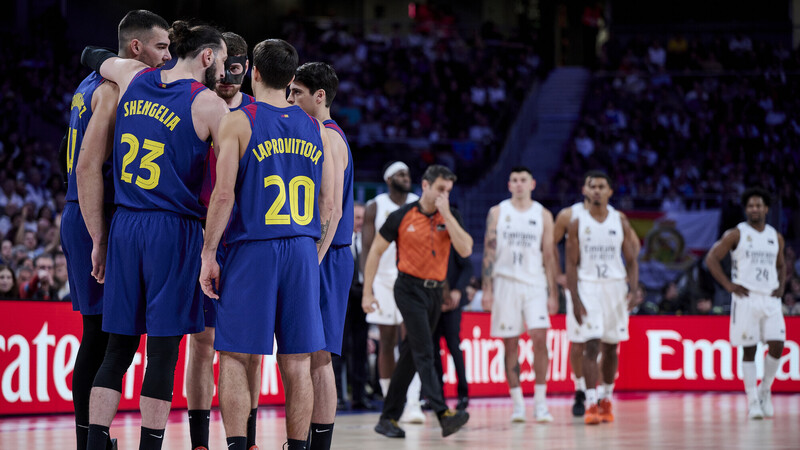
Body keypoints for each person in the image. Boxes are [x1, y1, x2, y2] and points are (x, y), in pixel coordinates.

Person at [80, 19, 228, 450]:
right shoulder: (208, 105)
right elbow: (231, 181)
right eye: (220, 58)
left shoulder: (132, 76)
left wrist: (100, 239)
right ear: (207, 56)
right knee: (162, 354)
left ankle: (94, 444)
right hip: (173, 230)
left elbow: (93, 55)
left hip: (125, 225)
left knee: (116, 352)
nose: (223, 67)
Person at [198, 38, 336, 450]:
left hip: (253, 248)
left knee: (237, 356)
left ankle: (240, 445)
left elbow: (223, 196)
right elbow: (328, 204)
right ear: (292, 79)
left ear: (253, 72)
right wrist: (312, 252)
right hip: (300, 248)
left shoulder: (239, 121)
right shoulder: (315, 127)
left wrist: (208, 254)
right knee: (297, 361)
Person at [68, 14, 171, 448]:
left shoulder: (85, 85)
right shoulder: (115, 88)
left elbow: (66, 157)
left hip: (80, 209)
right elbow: (89, 166)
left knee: (99, 335)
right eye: (162, 47)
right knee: (101, 339)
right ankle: (87, 439)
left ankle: (90, 438)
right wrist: (99, 235)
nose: (167, 56)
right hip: (95, 214)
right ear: (136, 50)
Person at [186, 31, 260, 450]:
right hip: (201, 232)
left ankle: (245, 439)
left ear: (247, 68)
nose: (229, 76)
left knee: (248, 349)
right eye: (223, 66)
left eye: (237, 68)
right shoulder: (197, 105)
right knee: (202, 341)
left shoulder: (257, 112)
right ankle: (199, 441)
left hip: (247, 241)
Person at [363, 164, 472, 439]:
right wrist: (368, 292)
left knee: (412, 354)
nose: (443, 195)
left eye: (448, 191)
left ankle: (387, 418)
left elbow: (466, 248)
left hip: (435, 292)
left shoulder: (450, 216)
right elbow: (375, 251)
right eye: (440, 190)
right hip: (408, 289)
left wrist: (447, 214)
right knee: (424, 349)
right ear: (425, 186)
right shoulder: (402, 216)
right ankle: (443, 412)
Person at [286, 61, 351, 450]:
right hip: (324, 253)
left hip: (328, 254)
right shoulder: (317, 133)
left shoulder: (328, 136)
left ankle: (320, 445)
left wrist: (314, 257)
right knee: (312, 353)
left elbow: (333, 209)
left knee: (320, 355)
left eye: (297, 92)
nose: (290, 97)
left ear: (319, 96)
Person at [553, 173, 639, 417]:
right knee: (590, 345)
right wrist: (575, 297)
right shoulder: (576, 222)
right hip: (588, 286)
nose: (597, 191)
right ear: (585, 190)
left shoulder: (619, 220)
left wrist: (633, 290)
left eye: (602, 187)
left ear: (610, 191)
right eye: (593, 186)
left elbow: (632, 260)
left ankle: (607, 397)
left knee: (612, 347)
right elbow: (570, 264)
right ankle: (590, 401)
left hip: (614, 287)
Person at [482, 167, 558, 422]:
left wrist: (553, 293)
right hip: (505, 282)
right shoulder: (497, 212)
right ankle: (517, 404)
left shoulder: (543, 215)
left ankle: (540, 402)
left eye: (523, 180)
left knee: (539, 337)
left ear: (532, 183)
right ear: (509, 184)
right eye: (514, 180)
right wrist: (487, 288)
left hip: (534, 283)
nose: (519, 184)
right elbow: (488, 251)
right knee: (510, 343)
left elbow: (549, 255)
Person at [705, 187, 786, 420]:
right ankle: (752, 401)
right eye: (750, 205)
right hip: (746, 297)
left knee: (778, 345)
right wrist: (729, 285)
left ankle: (765, 389)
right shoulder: (737, 234)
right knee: (749, 349)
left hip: (770, 298)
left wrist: (781, 285)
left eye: (759, 205)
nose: (755, 209)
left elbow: (781, 264)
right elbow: (711, 258)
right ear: (746, 209)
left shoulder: (775, 236)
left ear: (766, 209)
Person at [361, 161, 424, 423]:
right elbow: (366, 248)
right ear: (388, 179)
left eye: (408, 174)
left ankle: (413, 403)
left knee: (413, 343)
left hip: (413, 279)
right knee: (386, 341)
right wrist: (368, 285)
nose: (405, 177)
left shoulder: (418, 202)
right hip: (384, 280)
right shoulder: (376, 206)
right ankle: (391, 401)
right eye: (400, 174)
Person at [333, 202, 374, 410]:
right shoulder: (340, 240)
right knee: (339, 348)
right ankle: (338, 397)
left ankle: (359, 396)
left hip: (362, 297)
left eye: (363, 218)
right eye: (357, 218)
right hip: (343, 297)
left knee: (360, 347)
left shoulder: (369, 243)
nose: (360, 222)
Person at [432, 245, 472, 411]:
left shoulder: (453, 238)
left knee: (454, 347)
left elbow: (468, 267)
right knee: (433, 350)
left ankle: (463, 393)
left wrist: (457, 291)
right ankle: (437, 396)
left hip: (452, 305)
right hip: (432, 303)